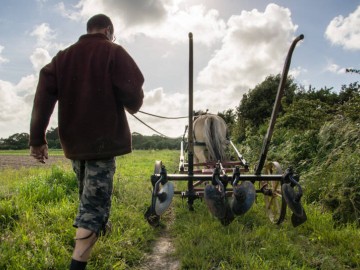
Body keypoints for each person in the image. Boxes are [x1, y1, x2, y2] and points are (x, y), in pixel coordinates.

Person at [29, 14, 144, 270]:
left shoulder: (63, 58)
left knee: (88, 195)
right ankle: (77, 264)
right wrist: (133, 104)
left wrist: (37, 138)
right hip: (102, 143)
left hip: (75, 144)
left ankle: (101, 228)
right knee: (93, 205)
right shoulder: (112, 51)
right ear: (107, 30)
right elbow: (133, 91)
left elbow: (42, 96)